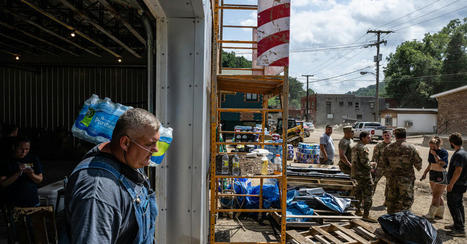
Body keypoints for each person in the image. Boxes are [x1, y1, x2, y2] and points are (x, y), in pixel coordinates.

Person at [65, 108, 160, 243]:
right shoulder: (98, 190)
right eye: (149, 144)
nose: (155, 150)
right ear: (125, 143)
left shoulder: (130, 163)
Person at [382, 127, 422, 214]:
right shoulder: (411, 148)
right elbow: (419, 165)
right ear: (405, 135)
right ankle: (403, 223)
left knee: (392, 201)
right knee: (405, 202)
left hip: (392, 179)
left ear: (395, 136)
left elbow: (384, 164)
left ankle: (391, 223)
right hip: (406, 180)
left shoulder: (388, 148)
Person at [0, 137, 43, 207]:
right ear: (14, 147)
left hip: (32, 202)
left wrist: (31, 174)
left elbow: (40, 179)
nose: (24, 152)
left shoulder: (33, 158)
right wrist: (18, 173)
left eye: (27, 149)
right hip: (12, 204)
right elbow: (3, 183)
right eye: (21, 149)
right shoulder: (6, 161)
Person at [420, 136, 449, 221]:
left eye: (433, 146)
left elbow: (442, 163)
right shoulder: (431, 151)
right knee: (436, 195)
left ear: (438, 145)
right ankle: (439, 214)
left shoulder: (443, 152)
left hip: (441, 174)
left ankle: (431, 214)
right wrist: (425, 173)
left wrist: (435, 154)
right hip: (432, 173)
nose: (431, 148)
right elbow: (430, 164)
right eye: (430, 146)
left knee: (436, 195)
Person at [351, 131, 377, 222]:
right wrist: (372, 165)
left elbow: (355, 161)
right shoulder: (363, 148)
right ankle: (366, 215)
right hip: (364, 176)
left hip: (356, 174)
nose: (370, 139)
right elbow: (364, 163)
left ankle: (358, 211)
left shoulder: (354, 146)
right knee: (368, 194)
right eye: (368, 137)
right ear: (363, 138)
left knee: (358, 193)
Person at [445, 132, 467, 237]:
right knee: (458, 205)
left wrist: (451, 184)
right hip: (460, 184)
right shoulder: (462, 152)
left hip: (457, 185)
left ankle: (460, 229)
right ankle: (458, 224)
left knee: (454, 205)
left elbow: (458, 170)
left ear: (452, 143)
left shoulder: (459, 154)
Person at [371, 130, 392, 200]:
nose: (387, 136)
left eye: (388, 135)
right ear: (383, 136)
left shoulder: (394, 146)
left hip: (389, 169)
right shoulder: (379, 146)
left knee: (389, 185)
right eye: (385, 135)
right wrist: (373, 168)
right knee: (373, 183)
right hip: (379, 168)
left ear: (391, 136)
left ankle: (387, 201)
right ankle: (369, 198)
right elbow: (374, 158)